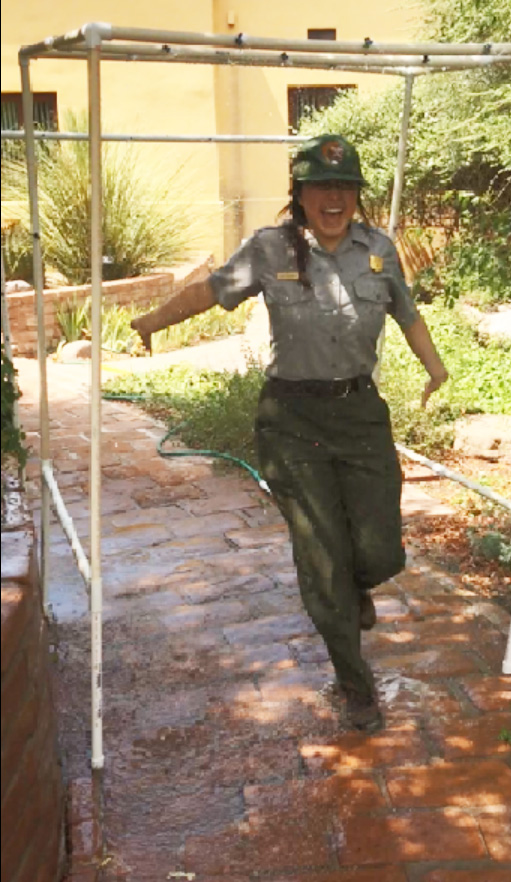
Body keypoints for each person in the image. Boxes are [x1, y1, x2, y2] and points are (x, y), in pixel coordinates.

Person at [131, 135, 449, 733]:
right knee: (321, 556)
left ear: (356, 195)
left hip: (360, 415)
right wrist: (153, 318)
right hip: (292, 421)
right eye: (320, 187)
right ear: (299, 193)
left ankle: (359, 585)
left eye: (345, 187)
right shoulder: (270, 248)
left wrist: (436, 366)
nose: (333, 197)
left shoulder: (379, 250)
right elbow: (212, 290)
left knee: (380, 549)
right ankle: (355, 686)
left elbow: (406, 313)